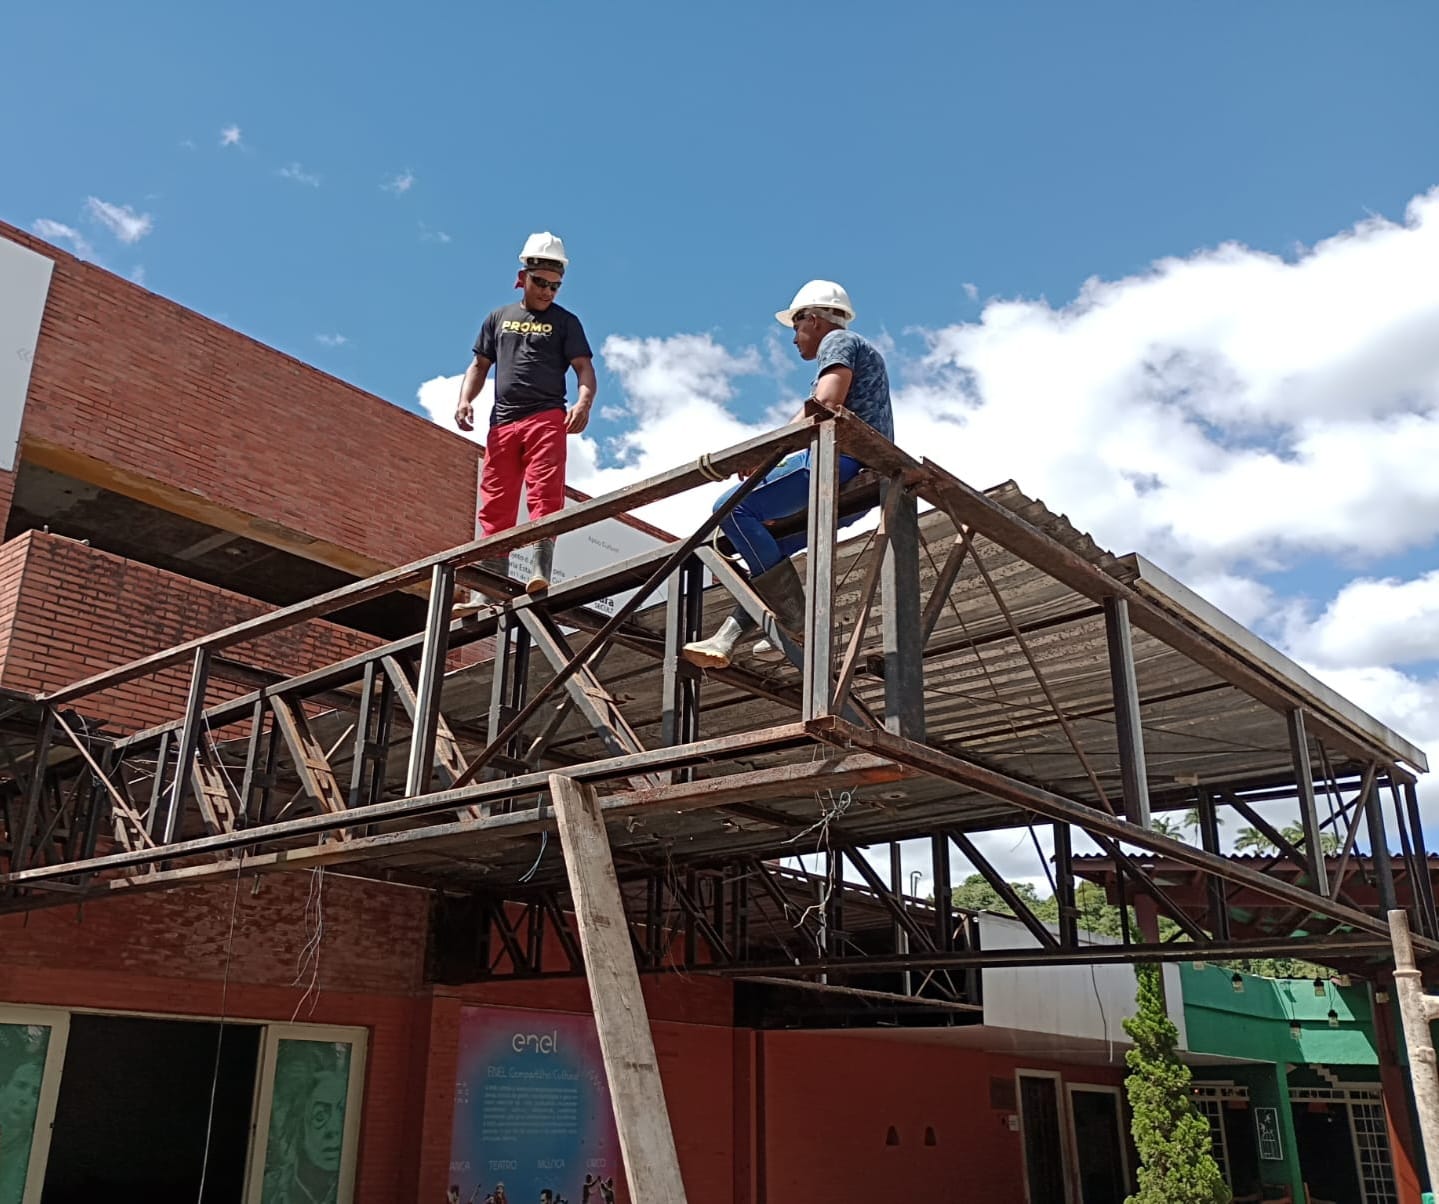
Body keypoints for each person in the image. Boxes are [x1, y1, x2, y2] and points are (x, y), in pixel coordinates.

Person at [682, 280, 893, 668]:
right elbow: (815, 408)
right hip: (860, 480)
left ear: (813, 319)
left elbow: (825, 403)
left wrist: (766, 453)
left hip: (837, 463)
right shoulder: (859, 350)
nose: (794, 339)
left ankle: (798, 622)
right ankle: (730, 636)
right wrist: (771, 450)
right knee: (768, 551)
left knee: (729, 509)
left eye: (796, 327)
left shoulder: (838, 341)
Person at [456, 232, 597, 593]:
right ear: (523, 277)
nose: (548, 291)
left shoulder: (566, 322)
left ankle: (539, 572)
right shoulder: (498, 318)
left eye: (555, 286)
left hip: (546, 417)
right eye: (541, 283)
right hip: (502, 423)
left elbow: (584, 368)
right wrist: (465, 400)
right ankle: (486, 591)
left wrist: (583, 403)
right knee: (495, 502)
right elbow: (479, 365)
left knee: (545, 492)